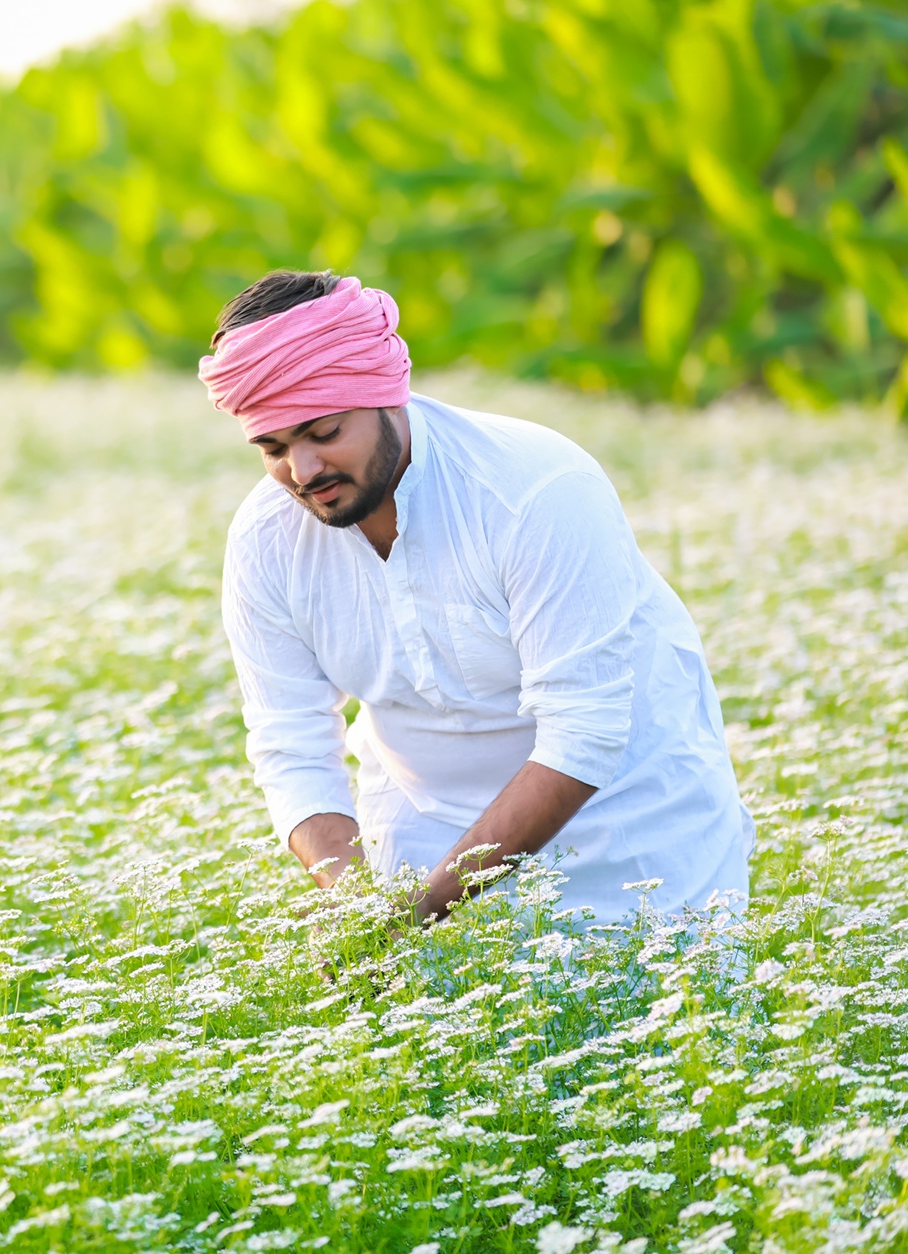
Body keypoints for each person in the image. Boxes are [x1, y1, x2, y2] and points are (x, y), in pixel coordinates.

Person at [201, 270, 754, 926]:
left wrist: (417, 913)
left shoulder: (536, 490)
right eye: (272, 447)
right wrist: (360, 911)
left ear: (386, 393)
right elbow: (288, 739)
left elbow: (583, 732)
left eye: (323, 434)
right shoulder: (266, 540)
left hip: (632, 843)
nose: (303, 472)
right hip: (418, 839)